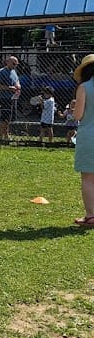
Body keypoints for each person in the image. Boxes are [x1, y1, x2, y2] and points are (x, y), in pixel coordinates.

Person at [71, 55, 94, 226]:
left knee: (88, 177)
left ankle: (91, 215)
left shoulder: (84, 87)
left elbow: (78, 116)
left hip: (89, 135)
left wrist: (75, 106)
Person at [0, 56, 20, 144]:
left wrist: (18, 85)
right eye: (13, 63)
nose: (15, 66)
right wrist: (9, 88)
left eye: (16, 64)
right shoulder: (2, 72)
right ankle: (1, 136)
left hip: (13, 97)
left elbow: (17, 81)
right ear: (7, 62)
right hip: (5, 98)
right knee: (4, 118)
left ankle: (6, 135)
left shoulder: (14, 71)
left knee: (9, 118)